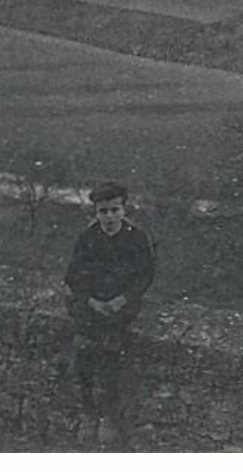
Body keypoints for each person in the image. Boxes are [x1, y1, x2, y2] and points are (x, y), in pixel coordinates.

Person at [62, 182, 155, 446]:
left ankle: (109, 417)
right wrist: (90, 300)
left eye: (115, 210)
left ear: (124, 210)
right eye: (103, 211)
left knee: (111, 360)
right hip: (91, 306)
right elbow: (72, 275)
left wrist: (122, 300)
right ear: (96, 212)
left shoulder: (136, 238)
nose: (109, 217)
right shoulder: (88, 237)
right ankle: (89, 412)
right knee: (82, 358)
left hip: (120, 308)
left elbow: (145, 275)